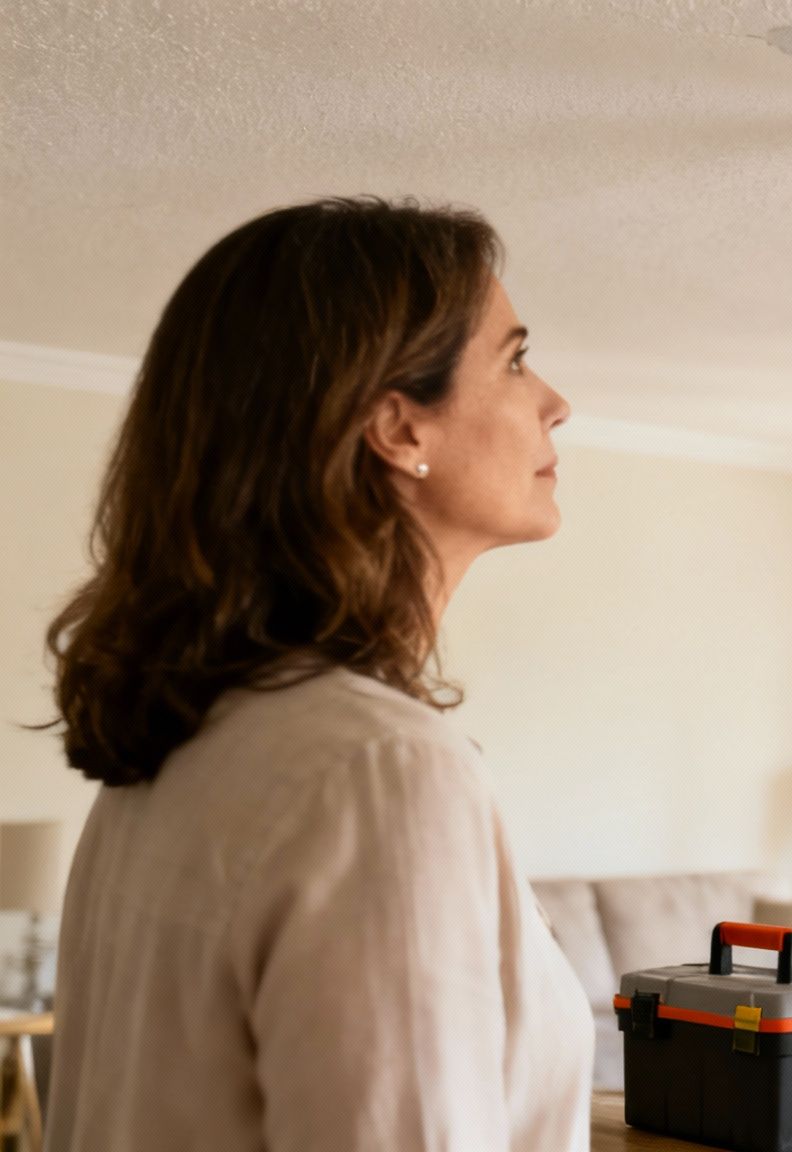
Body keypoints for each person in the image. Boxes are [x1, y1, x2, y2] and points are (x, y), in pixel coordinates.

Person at [41, 197, 590, 1150]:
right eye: (513, 358)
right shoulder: (380, 772)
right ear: (397, 428)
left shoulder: (163, 761)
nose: (555, 400)